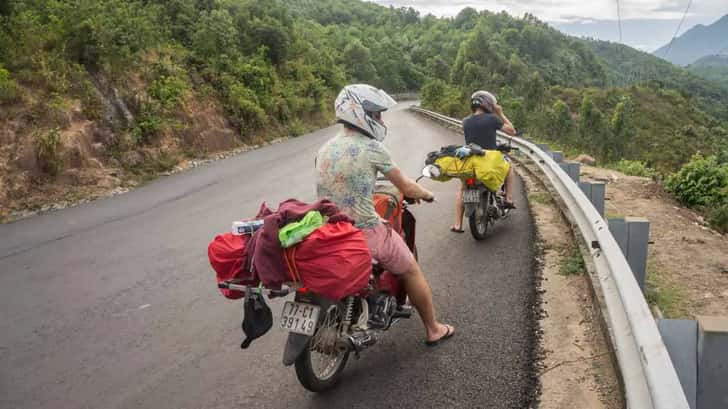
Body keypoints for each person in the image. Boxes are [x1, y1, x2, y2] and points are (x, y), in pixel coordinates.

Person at [316, 84, 454, 346]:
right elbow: (406, 186)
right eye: (376, 114)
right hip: (364, 231)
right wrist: (427, 194)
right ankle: (434, 329)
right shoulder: (371, 147)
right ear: (360, 113)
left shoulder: (325, 148)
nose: (380, 119)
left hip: (328, 229)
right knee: (411, 270)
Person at [451, 90, 517, 233]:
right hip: (488, 160)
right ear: (488, 104)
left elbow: (477, 137)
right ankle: (509, 199)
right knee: (509, 168)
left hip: (469, 161)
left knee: (463, 190)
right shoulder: (492, 119)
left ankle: (458, 224)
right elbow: (512, 131)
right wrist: (500, 113)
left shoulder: (466, 121)